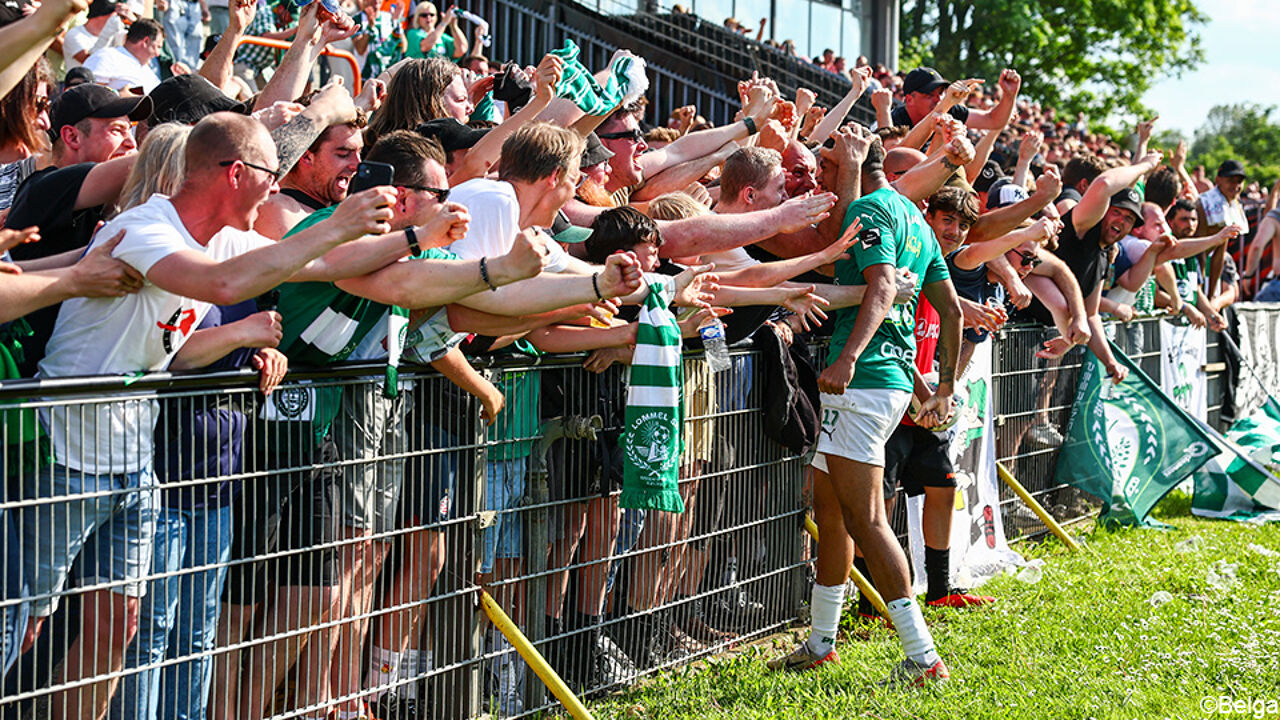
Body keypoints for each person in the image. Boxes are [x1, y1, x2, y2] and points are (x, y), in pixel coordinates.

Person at [19, 109, 396, 720]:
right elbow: (221, 286)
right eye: (271, 174)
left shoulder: (223, 235)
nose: (276, 188)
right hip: (66, 454)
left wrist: (415, 238)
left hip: (131, 462)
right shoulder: (144, 230)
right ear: (236, 173)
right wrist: (334, 228)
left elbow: (316, 265)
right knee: (23, 625)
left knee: (121, 625)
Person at [770, 135, 964, 689]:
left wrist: (849, 357)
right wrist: (941, 386)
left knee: (867, 518)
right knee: (830, 512)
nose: (826, 173)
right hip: (883, 383)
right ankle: (820, 644)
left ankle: (925, 660)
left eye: (826, 163)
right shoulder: (919, 225)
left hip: (863, 382)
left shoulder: (871, 207)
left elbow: (880, 287)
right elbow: (949, 309)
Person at [4, 82, 150, 375]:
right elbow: (151, 164)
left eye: (131, 131)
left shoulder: (98, 202)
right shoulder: (47, 186)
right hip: (24, 381)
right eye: (117, 131)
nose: (131, 143)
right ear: (71, 136)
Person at [891, 66, 1020, 132]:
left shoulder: (948, 110)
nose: (938, 99)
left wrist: (1010, 94)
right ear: (909, 100)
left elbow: (994, 121)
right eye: (929, 95)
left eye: (941, 93)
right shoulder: (894, 121)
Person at [83, 17, 166, 93]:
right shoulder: (107, 57)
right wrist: (119, 96)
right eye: (158, 47)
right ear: (145, 41)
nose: (158, 54)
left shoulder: (148, 72)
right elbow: (85, 93)